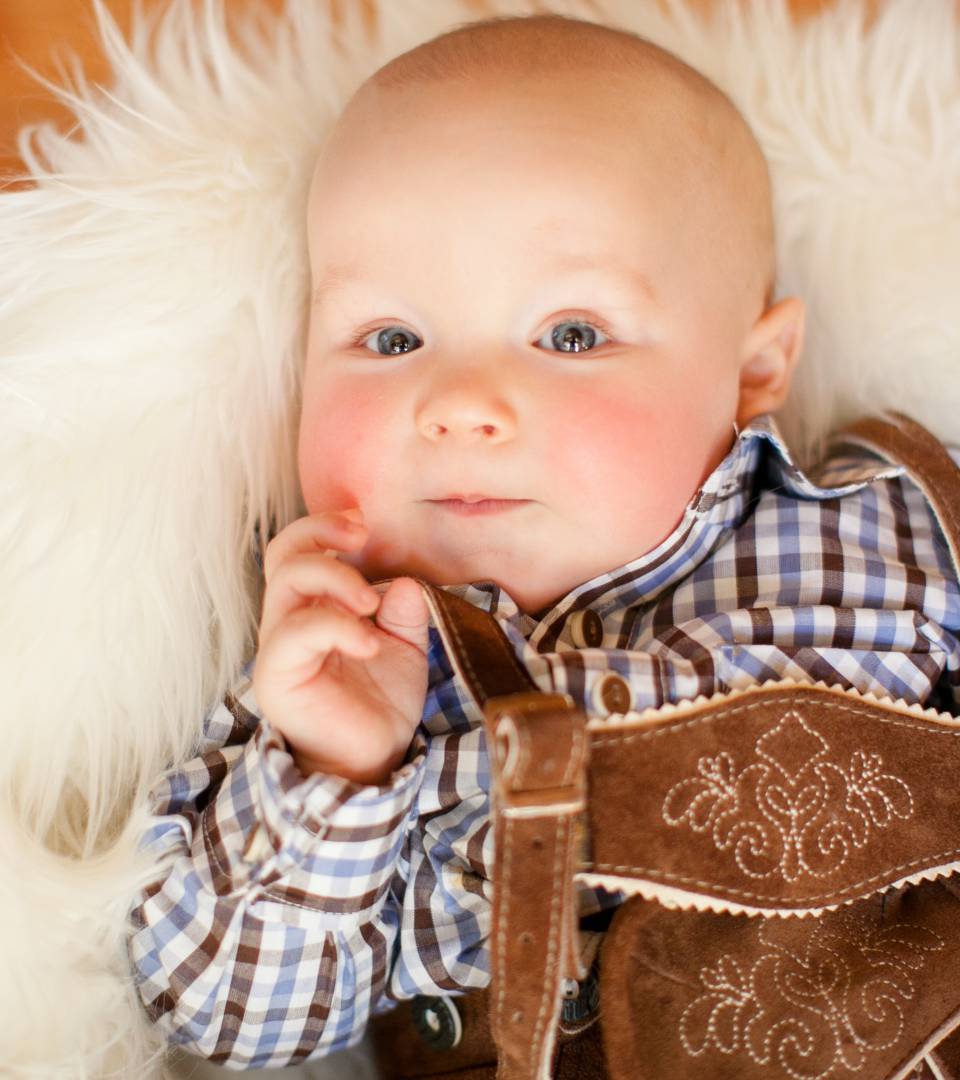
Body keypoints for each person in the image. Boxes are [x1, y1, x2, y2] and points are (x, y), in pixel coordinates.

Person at [127, 12, 960, 1069]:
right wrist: (338, 766)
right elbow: (224, 1021)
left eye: (570, 334)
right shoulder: (337, 678)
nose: (461, 402)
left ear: (754, 371)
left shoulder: (888, 527)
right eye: (391, 339)